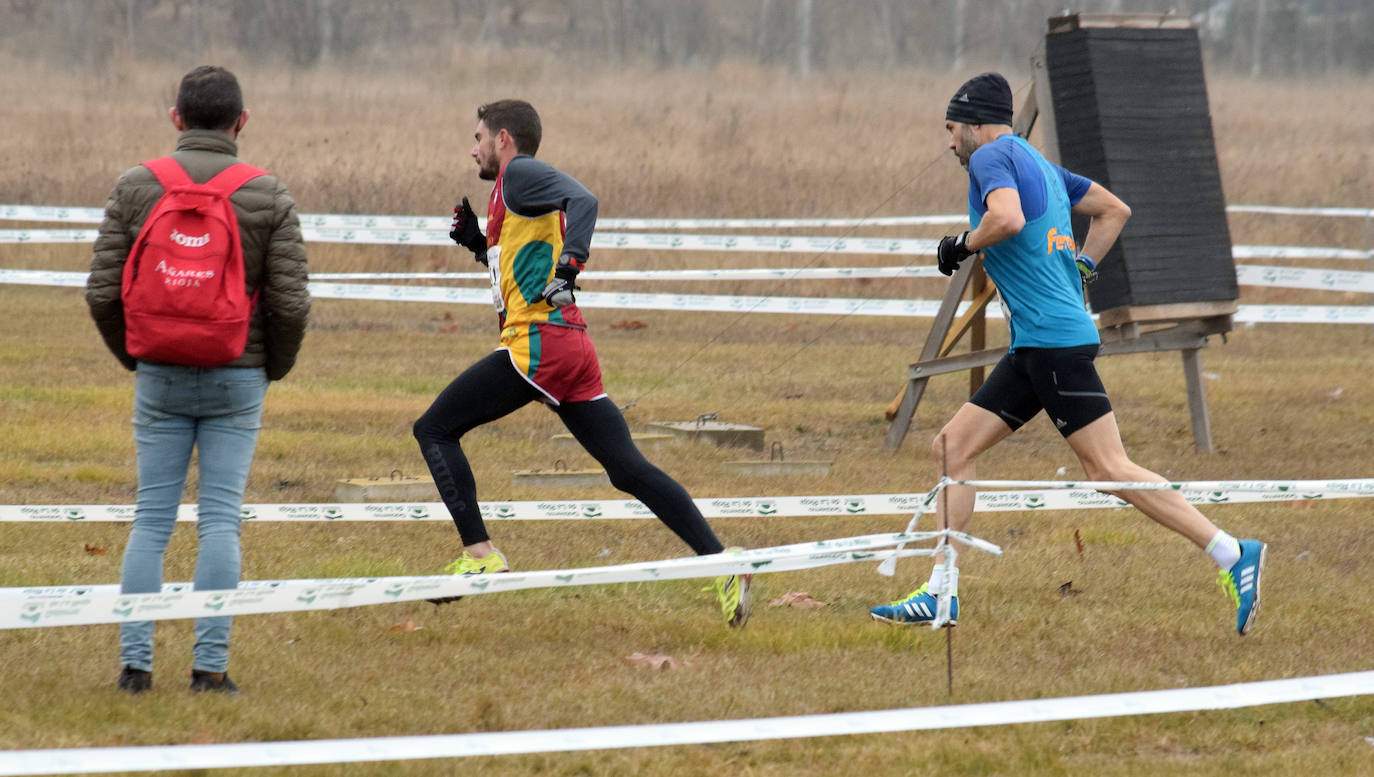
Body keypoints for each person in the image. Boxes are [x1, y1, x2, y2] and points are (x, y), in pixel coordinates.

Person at [869, 73, 1265, 636]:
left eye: (952, 128)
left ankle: (1232, 552)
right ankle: (941, 593)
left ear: (975, 125)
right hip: (1038, 344)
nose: (949, 142)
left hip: (1052, 344)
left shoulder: (990, 161)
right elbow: (1114, 210)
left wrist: (960, 244)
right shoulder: (1040, 165)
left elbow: (1004, 219)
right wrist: (1080, 267)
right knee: (951, 447)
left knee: (1108, 469)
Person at [413, 99, 751, 627]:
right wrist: (480, 245)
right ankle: (724, 562)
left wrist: (572, 266)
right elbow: (526, 265)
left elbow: (584, 200)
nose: (472, 148)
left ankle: (480, 555)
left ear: (504, 138)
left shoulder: (519, 172)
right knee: (626, 470)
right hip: (568, 347)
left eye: (478, 137)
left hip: (538, 346)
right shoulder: (511, 195)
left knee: (434, 428)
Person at [86, 65, 311, 694]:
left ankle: (136, 667)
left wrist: (138, 353)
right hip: (237, 378)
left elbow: (102, 290)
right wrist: (272, 367)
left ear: (176, 119)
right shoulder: (267, 193)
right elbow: (290, 304)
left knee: (151, 518)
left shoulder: (136, 186)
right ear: (241, 123)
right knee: (220, 520)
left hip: (158, 372)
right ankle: (209, 668)